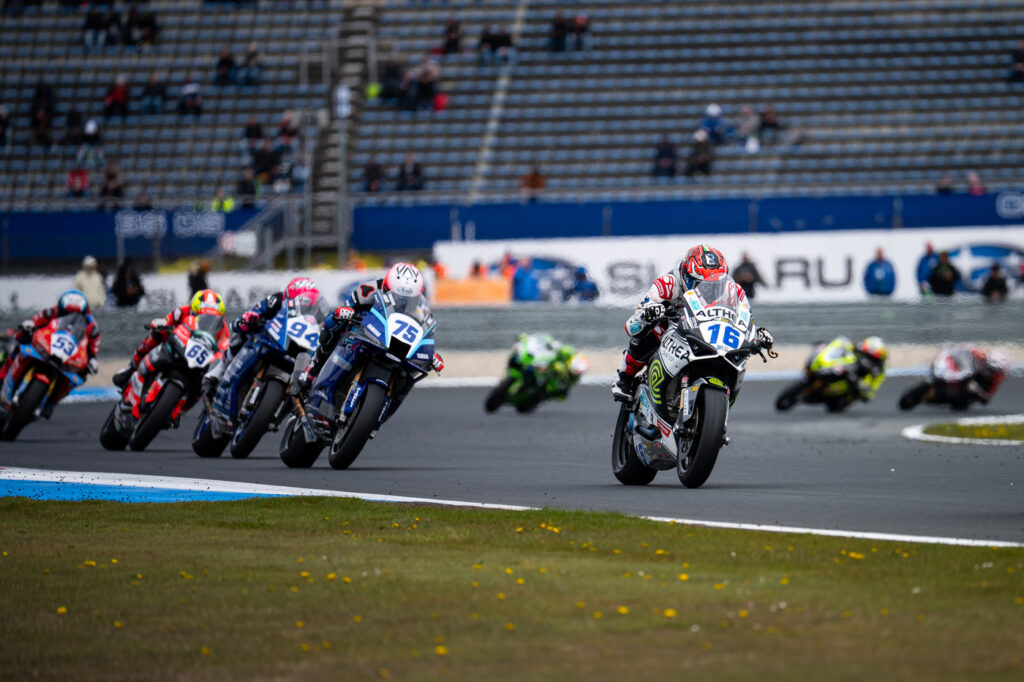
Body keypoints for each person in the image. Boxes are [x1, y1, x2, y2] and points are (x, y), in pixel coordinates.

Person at [611, 244, 775, 402]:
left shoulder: (735, 291)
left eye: (713, 283)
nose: (706, 287)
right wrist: (649, 314)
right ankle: (624, 376)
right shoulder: (668, 284)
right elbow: (631, 325)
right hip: (672, 326)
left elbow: (745, 319)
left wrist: (757, 333)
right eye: (699, 282)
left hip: (706, 331)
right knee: (654, 331)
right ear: (685, 274)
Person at [298, 264, 443, 402]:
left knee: (410, 373)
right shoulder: (368, 290)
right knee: (335, 323)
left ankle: (384, 408)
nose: (404, 302)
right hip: (365, 330)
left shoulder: (420, 308)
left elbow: (423, 332)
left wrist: (430, 354)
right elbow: (347, 307)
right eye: (400, 296)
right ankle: (313, 368)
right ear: (387, 287)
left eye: (409, 299)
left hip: (393, 342)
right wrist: (348, 312)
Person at [203, 278, 322, 423]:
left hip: (292, 356)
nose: (304, 305)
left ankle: (289, 415)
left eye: (308, 302)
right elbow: (255, 311)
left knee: (307, 381)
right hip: (268, 339)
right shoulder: (277, 299)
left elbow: (320, 335)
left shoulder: (316, 314)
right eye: (301, 300)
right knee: (242, 333)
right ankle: (218, 371)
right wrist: (249, 319)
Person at [0, 291, 100, 413]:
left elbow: (93, 348)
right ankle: (3, 376)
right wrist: (29, 326)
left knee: (81, 376)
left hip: (68, 356)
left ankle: (52, 402)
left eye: (76, 315)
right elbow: (35, 321)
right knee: (19, 342)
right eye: (67, 313)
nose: (71, 318)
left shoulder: (91, 327)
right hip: (44, 345)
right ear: (61, 309)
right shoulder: (51, 312)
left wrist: (92, 359)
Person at [112, 289, 228, 388]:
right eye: (201, 316)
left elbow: (224, 349)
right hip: (178, 344)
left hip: (200, 359)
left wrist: (217, 358)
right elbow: (166, 321)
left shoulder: (223, 329)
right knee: (153, 337)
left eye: (212, 318)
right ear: (193, 310)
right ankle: (131, 367)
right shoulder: (182, 311)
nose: (206, 320)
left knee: (211, 381)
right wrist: (160, 324)